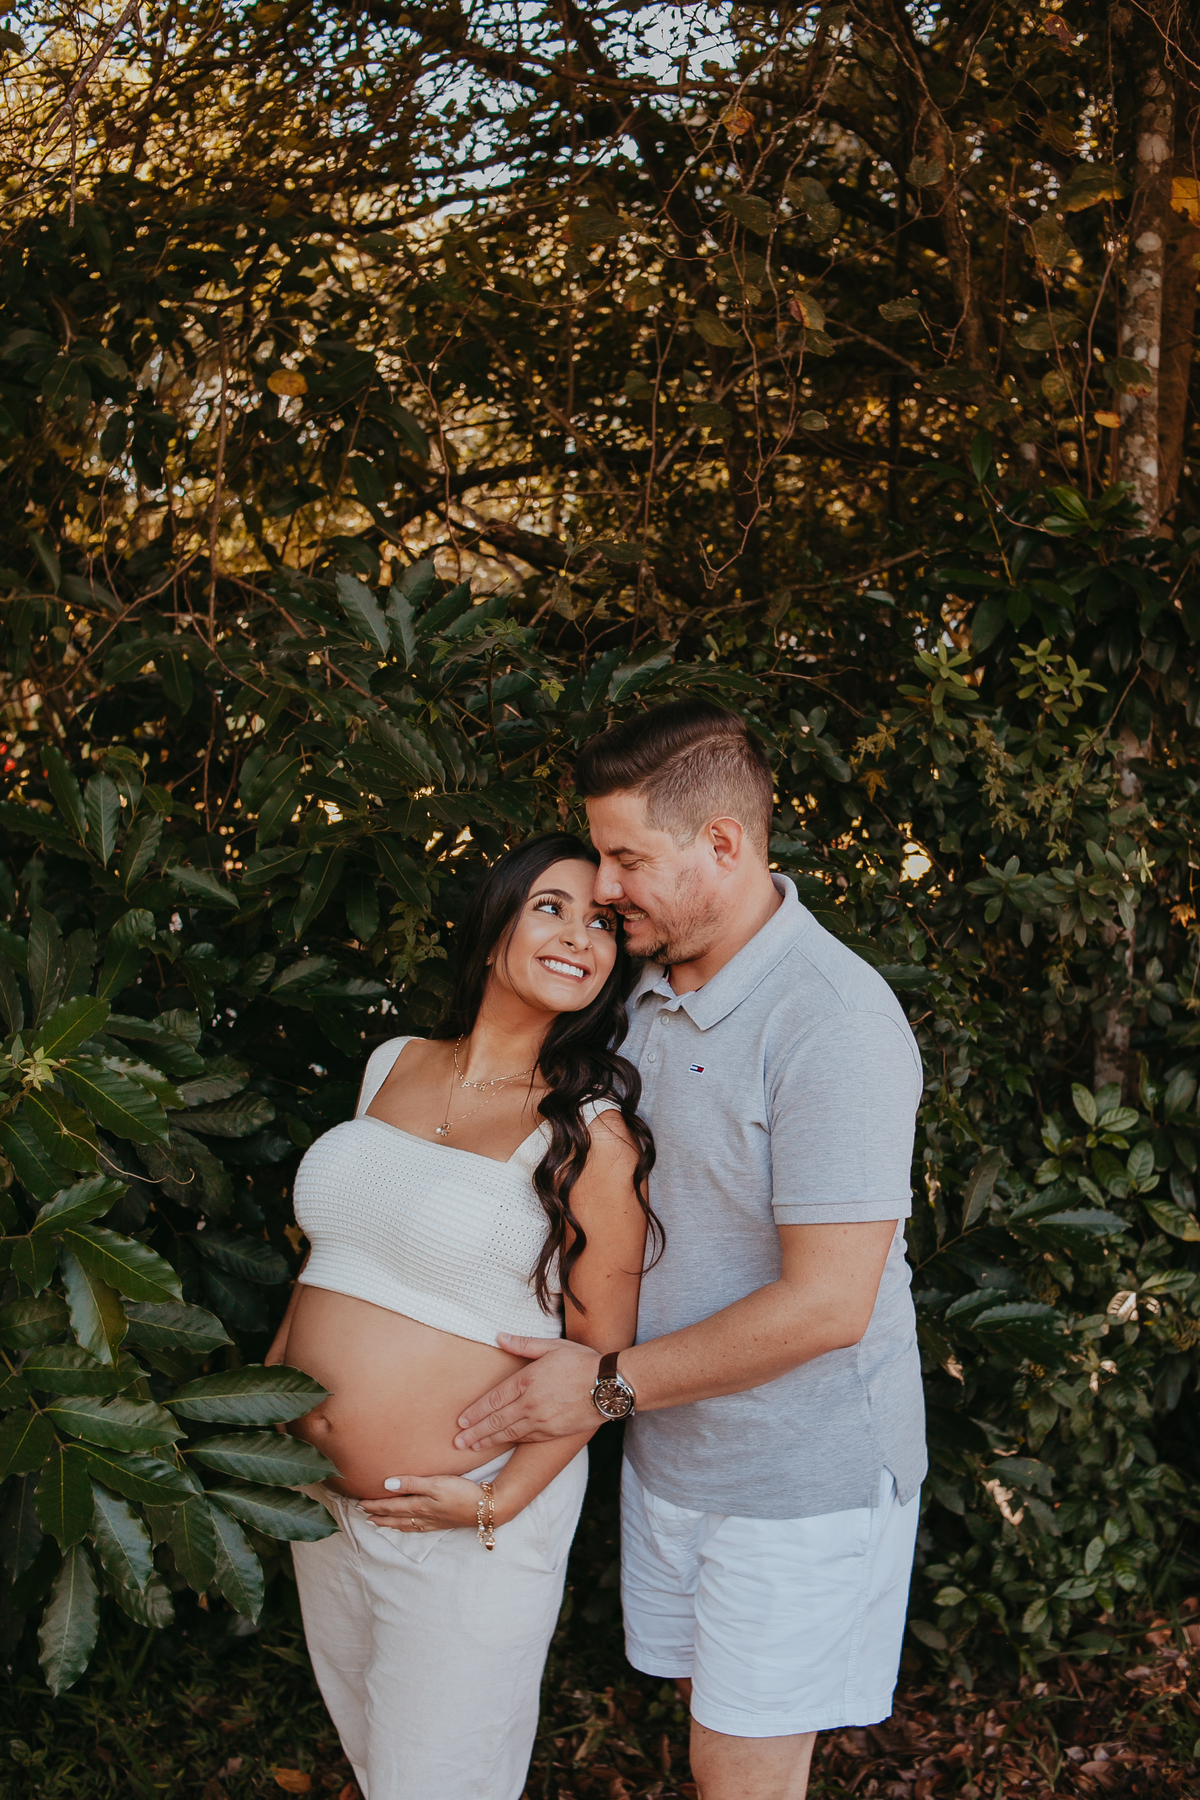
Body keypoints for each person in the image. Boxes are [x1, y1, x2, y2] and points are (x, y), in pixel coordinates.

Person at [455, 699, 926, 1800]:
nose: (604, 890)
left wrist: (603, 1389)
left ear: (724, 844)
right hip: (674, 1451)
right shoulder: (638, 992)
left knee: (743, 1772)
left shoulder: (834, 1022)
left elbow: (827, 1307)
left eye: (626, 859)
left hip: (799, 1481)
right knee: (707, 1732)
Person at [265, 833, 660, 1800]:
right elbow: (328, 1264)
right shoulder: (393, 1063)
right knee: (376, 1763)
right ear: (495, 927)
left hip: (463, 1520)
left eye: (604, 924)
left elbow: (603, 1363)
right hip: (318, 1506)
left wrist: (497, 1501)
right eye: (553, 908)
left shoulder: (590, 1135)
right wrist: (263, 1425)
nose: (582, 936)